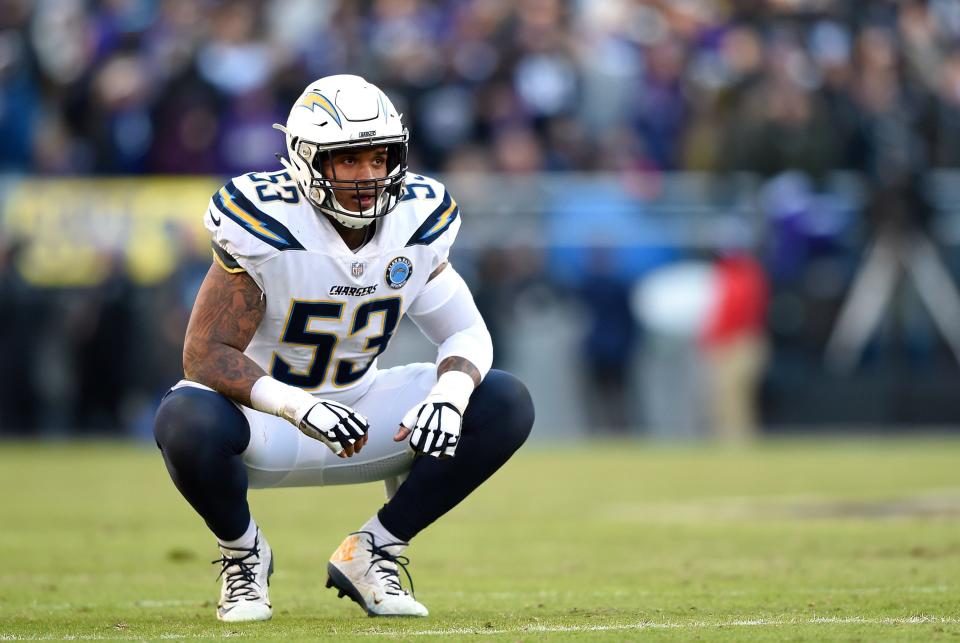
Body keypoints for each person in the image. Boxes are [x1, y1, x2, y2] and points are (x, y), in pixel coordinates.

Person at [152, 75, 535, 622]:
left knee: (503, 400)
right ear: (307, 161)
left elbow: (467, 333)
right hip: (267, 422)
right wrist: (297, 405)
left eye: (379, 158)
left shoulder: (417, 218)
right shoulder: (265, 220)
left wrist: (448, 396)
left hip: (363, 408)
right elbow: (204, 353)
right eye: (348, 161)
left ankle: (374, 550)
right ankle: (244, 555)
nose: (368, 176)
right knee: (183, 417)